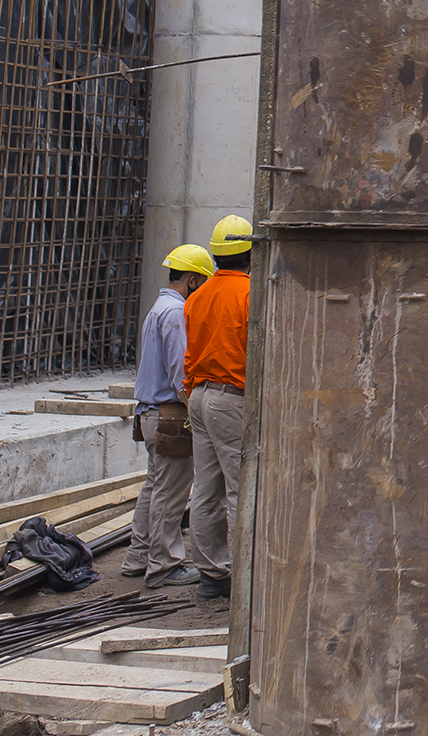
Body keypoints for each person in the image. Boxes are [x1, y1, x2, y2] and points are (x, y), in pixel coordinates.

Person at [123, 245, 210, 589]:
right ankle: (164, 564)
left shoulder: (158, 307)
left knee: (154, 488)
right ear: (192, 281)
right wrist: (197, 410)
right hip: (168, 415)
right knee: (171, 493)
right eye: (203, 284)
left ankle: (138, 556)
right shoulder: (175, 313)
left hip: (150, 414)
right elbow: (179, 373)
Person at [184, 214, 253, 600]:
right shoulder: (251, 293)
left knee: (206, 489)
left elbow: (189, 355)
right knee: (241, 490)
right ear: (251, 254)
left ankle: (212, 576)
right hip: (231, 399)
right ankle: (246, 577)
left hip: (199, 397)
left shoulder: (198, 295)